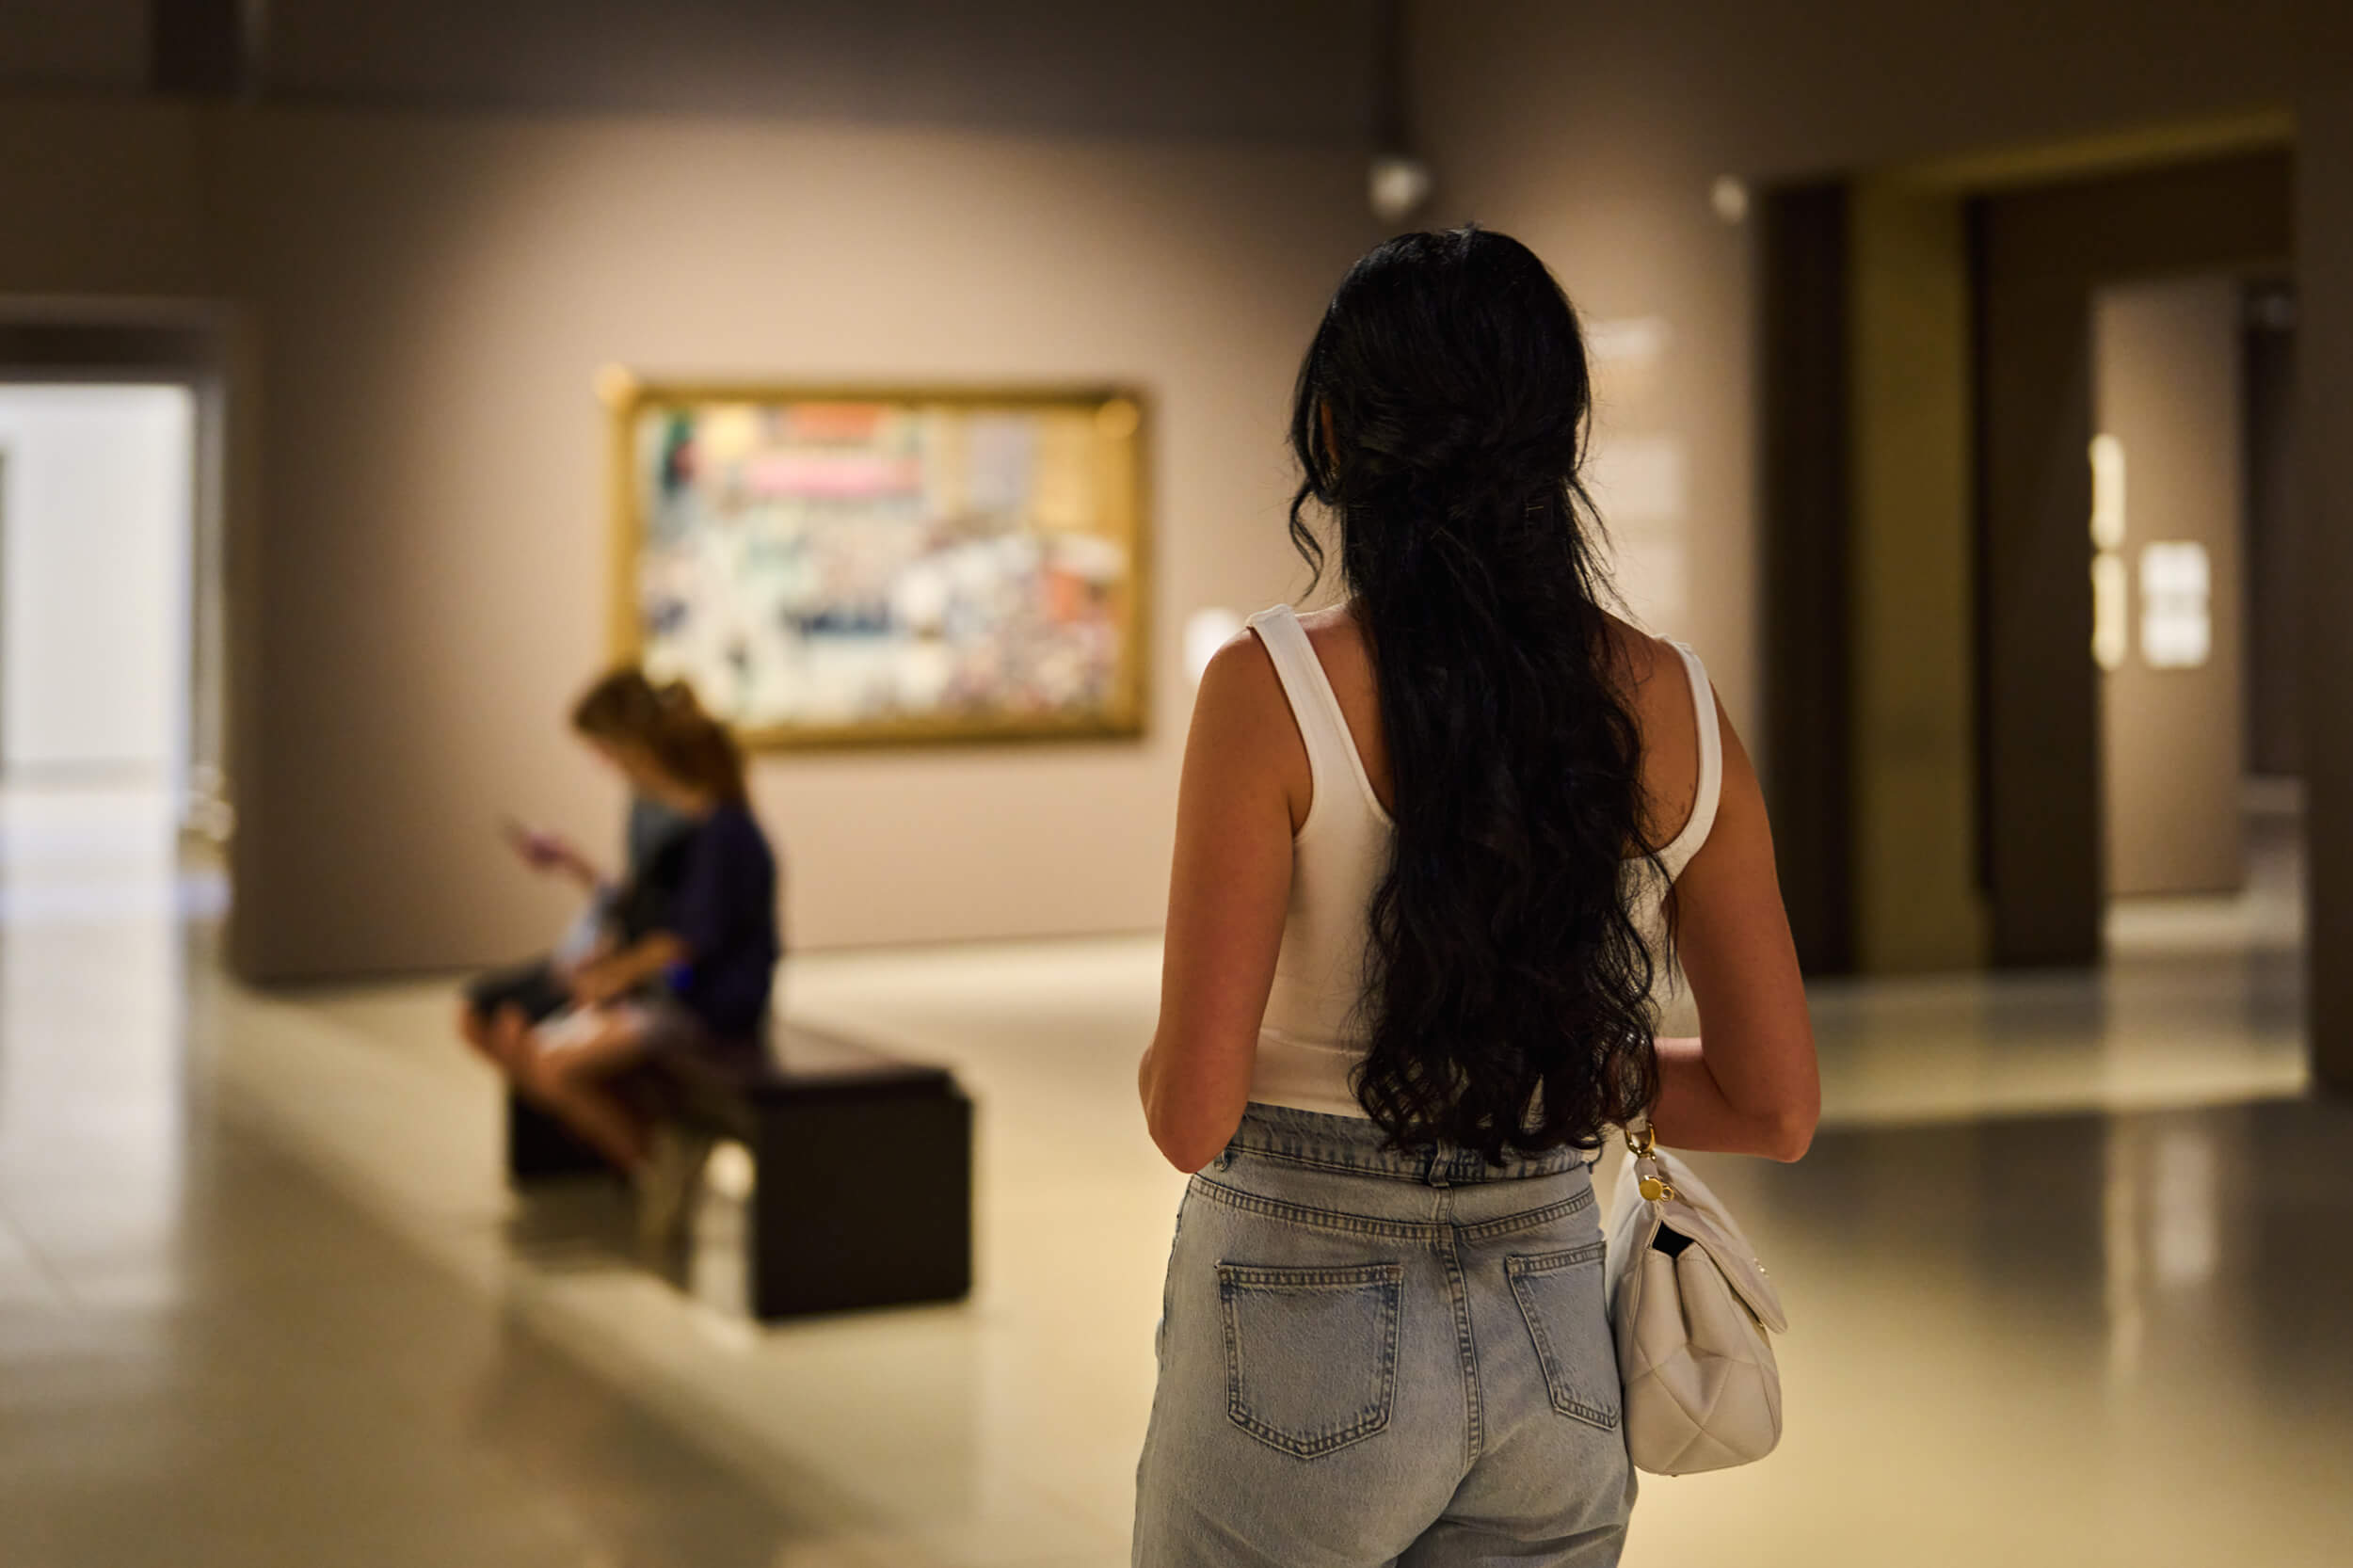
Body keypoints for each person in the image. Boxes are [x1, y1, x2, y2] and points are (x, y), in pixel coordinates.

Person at [1131, 227, 1818, 1566]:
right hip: (1555, 1341)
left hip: (1295, 1330)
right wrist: (1560, 1058)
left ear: (1334, 431)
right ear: (1560, 440)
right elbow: (1776, 1103)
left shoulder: (1269, 692)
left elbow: (1189, 1112)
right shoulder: (1675, 706)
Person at [471, 671, 782, 1234]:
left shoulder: (720, 834)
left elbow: (689, 941)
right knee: (534, 1046)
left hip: (706, 1005)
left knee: (550, 1060)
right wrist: (614, 970)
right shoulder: (703, 829)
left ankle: (655, 1163)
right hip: (681, 992)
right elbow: (662, 925)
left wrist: (616, 976)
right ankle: (654, 1158)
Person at [456, 668, 696, 1052]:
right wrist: (572, 864)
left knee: (519, 1031)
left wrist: (618, 970)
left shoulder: (686, 810)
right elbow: (639, 902)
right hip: (630, 955)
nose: (599, 758)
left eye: (601, 745)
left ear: (627, 739)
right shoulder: (646, 802)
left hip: (666, 979)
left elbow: (683, 928)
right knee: (480, 1012)